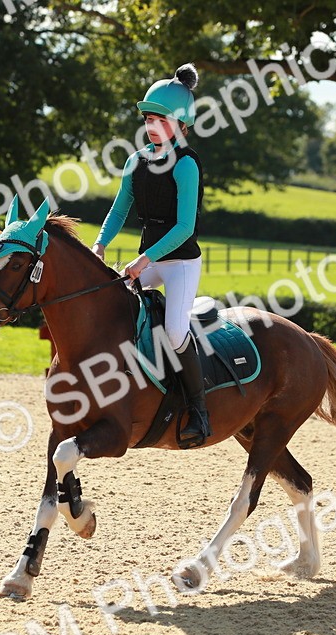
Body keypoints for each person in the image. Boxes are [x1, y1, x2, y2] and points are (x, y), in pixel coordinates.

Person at [91, 63, 211, 447]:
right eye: (147, 118)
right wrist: (99, 245)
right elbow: (119, 210)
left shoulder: (187, 165)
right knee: (109, 306)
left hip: (180, 263)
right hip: (149, 259)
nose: (151, 125)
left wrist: (145, 260)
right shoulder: (135, 160)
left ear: (180, 123)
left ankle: (199, 409)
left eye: (159, 119)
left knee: (176, 331)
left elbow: (184, 229)